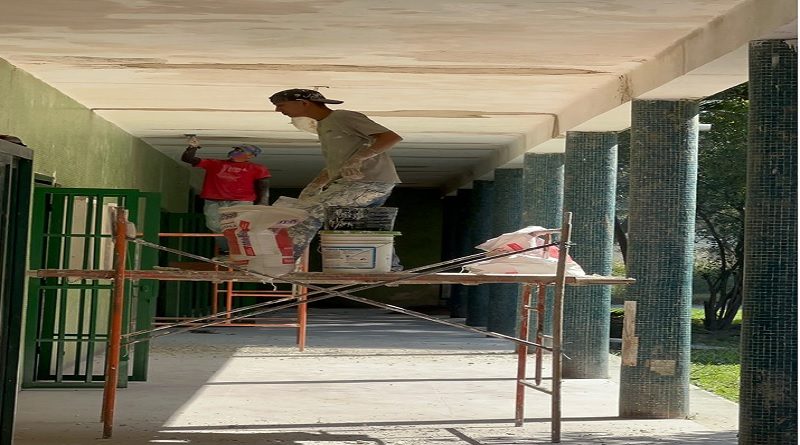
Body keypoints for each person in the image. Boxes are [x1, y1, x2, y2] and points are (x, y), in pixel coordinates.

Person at [268, 89, 403, 268]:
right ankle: (390, 268)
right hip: (358, 184)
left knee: (305, 214)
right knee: (351, 225)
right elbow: (339, 160)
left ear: (304, 103)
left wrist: (359, 158)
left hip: (367, 183)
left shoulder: (342, 117)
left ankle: (281, 263)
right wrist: (316, 184)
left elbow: (391, 137)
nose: (278, 110)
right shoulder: (323, 125)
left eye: (281, 105)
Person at [181, 137, 271, 253]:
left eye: (241, 150)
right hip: (214, 200)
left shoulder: (257, 168)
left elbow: (263, 185)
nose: (236, 152)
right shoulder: (214, 164)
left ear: (251, 156)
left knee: (239, 226)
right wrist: (192, 147)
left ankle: (241, 250)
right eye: (236, 149)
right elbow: (187, 159)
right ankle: (227, 250)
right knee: (214, 225)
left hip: (241, 201)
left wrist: (263, 201)